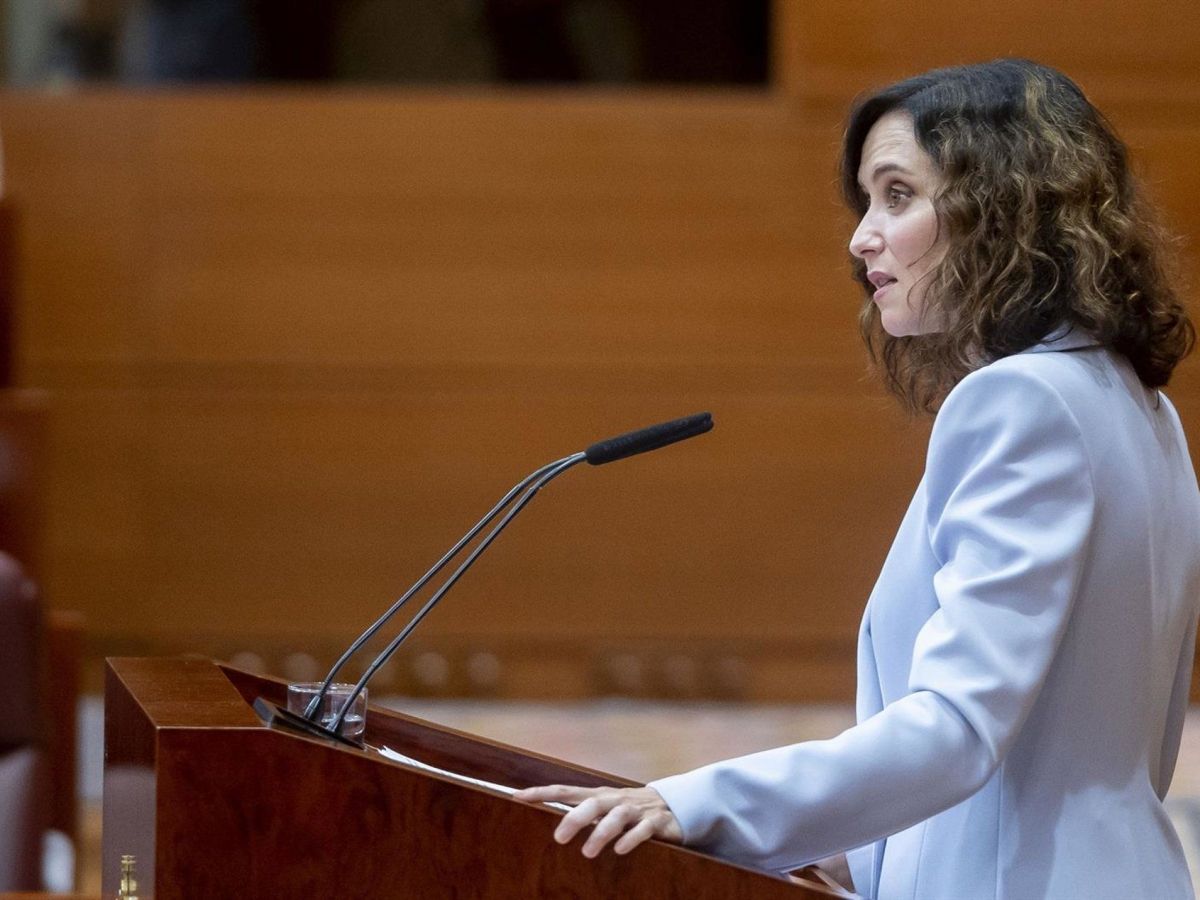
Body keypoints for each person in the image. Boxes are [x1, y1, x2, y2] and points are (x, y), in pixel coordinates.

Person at [515, 58, 1200, 899]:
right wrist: (871, 856)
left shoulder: (1021, 402)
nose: (861, 236)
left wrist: (690, 804)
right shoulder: (1135, 403)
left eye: (898, 195)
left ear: (1001, 207)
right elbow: (1069, 747)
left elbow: (958, 727)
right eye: (868, 200)